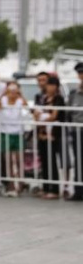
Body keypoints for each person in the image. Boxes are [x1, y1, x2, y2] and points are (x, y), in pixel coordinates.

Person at [35, 76, 65, 199]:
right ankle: (46, 187)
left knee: (52, 161)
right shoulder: (42, 98)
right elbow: (36, 113)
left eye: (53, 85)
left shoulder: (59, 99)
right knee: (44, 161)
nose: (50, 87)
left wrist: (44, 117)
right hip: (42, 134)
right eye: (48, 84)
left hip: (53, 134)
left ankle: (55, 189)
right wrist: (41, 117)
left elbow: (54, 115)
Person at [0, 82, 28, 196]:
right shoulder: (3, 100)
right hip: (5, 133)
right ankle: (10, 184)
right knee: (8, 160)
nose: (12, 93)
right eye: (10, 90)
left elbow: (26, 107)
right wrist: (3, 94)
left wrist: (21, 94)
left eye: (14, 90)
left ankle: (20, 183)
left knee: (19, 160)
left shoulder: (20, 100)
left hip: (18, 133)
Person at [66, 62, 83, 201]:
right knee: (78, 160)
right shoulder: (73, 93)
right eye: (80, 73)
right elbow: (68, 114)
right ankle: (78, 191)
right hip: (77, 131)